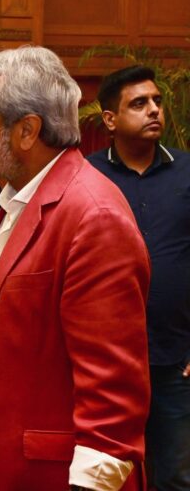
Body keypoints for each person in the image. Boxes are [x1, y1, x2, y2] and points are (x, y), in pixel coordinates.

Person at [0, 46, 151, 491]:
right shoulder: (17, 200)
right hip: (5, 466)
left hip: (55, 478)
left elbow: (114, 398)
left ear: (27, 131)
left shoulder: (93, 216)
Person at [88, 65, 190, 491]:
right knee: (108, 479)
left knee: (177, 477)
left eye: (157, 102)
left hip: (175, 360)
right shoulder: (87, 177)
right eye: (139, 103)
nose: (154, 111)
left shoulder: (187, 172)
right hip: (106, 364)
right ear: (110, 120)